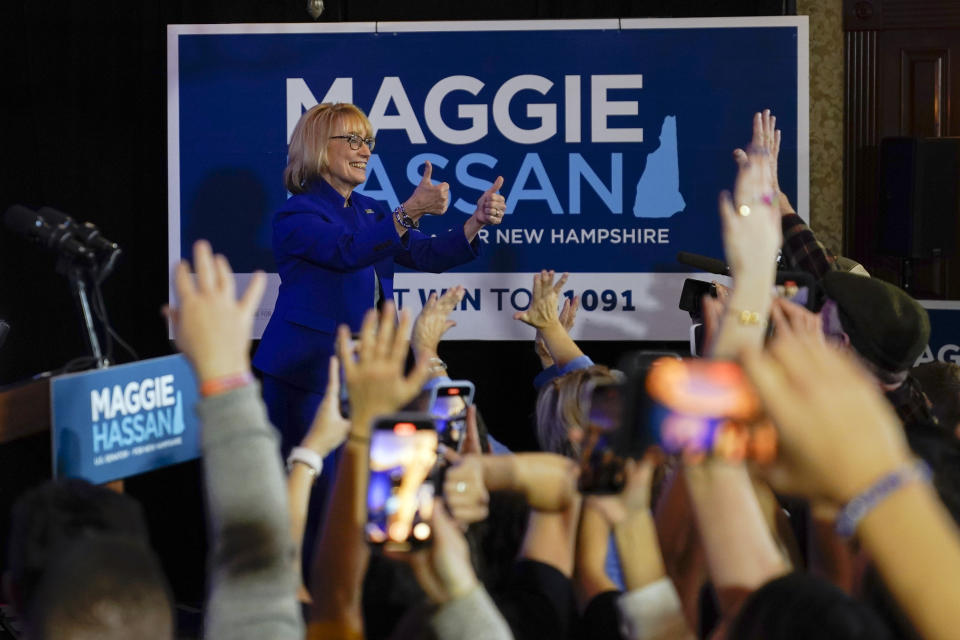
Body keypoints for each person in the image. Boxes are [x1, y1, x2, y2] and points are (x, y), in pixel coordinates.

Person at [252, 102, 506, 451]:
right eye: (354, 140)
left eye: (368, 141)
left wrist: (474, 222)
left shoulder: (373, 210)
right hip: (307, 375)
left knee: (358, 480)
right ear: (319, 146)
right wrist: (410, 210)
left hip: (367, 374)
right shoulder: (295, 213)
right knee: (312, 481)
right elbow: (347, 251)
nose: (366, 150)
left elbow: (425, 254)